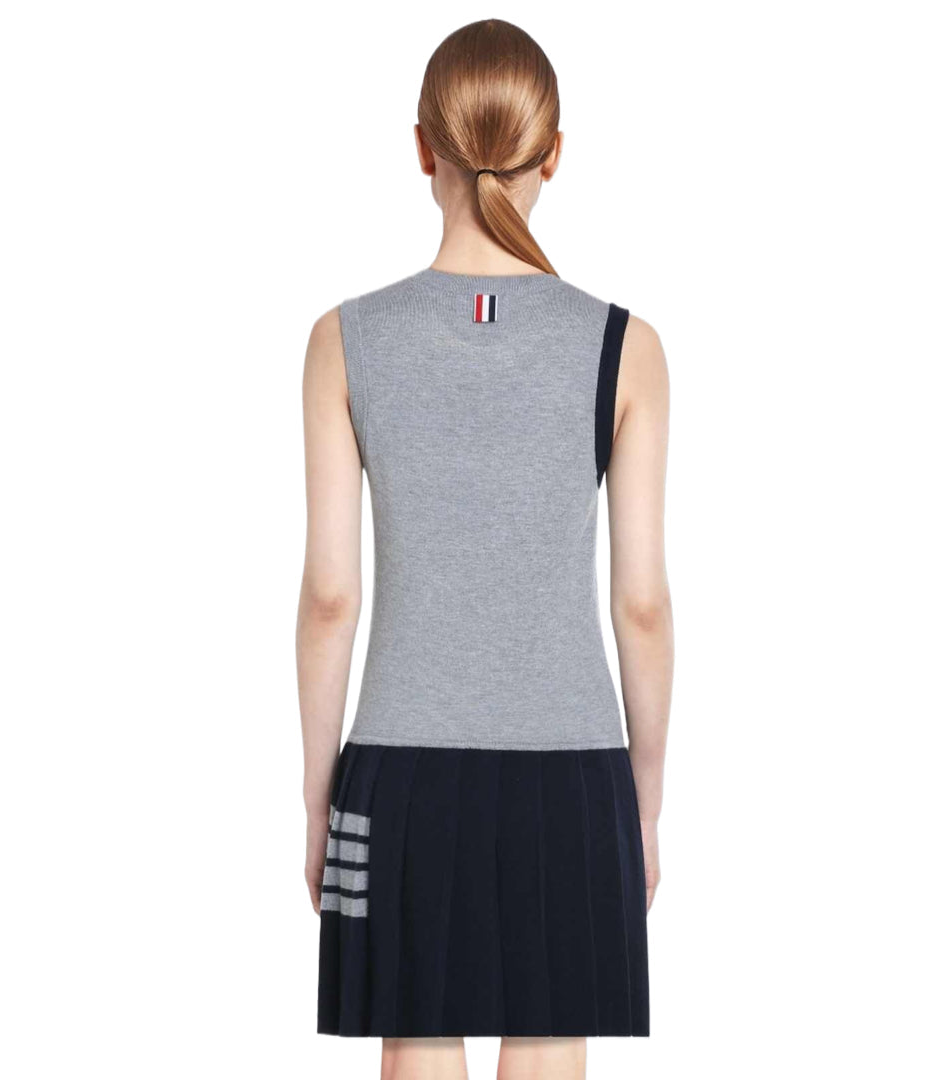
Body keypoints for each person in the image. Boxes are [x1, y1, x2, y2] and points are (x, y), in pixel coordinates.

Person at [296, 18, 673, 1080]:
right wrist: (644, 803)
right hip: (575, 778)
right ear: (555, 155)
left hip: (398, 776)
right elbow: (642, 604)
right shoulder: (625, 347)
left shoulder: (344, 340)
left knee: (415, 1038)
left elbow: (331, 596)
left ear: (423, 149)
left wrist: (319, 799)